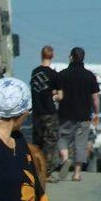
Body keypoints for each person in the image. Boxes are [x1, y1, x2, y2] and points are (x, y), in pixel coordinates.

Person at [56, 47, 99, 181]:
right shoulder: (90, 76)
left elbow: (57, 94)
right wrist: (96, 113)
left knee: (61, 138)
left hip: (65, 114)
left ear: (71, 57)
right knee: (80, 143)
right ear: (83, 58)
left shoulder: (62, 75)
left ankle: (65, 157)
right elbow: (95, 98)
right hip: (84, 116)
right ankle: (77, 173)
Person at [30, 46, 62, 178]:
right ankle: (46, 172)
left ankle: (36, 169)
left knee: (37, 142)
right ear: (52, 56)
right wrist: (53, 95)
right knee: (50, 142)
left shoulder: (34, 72)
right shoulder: (54, 75)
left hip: (36, 112)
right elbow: (60, 96)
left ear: (41, 55)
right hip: (49, 112)